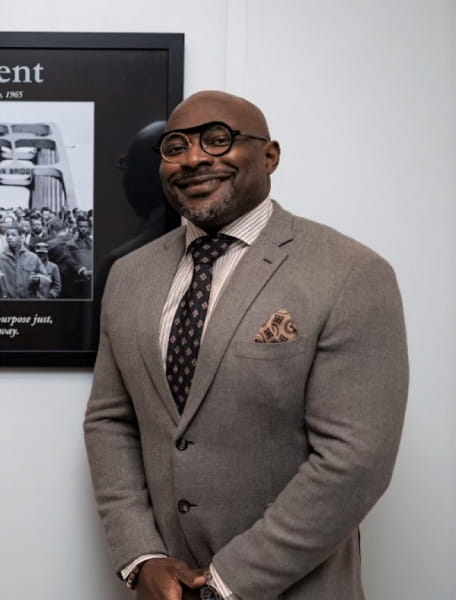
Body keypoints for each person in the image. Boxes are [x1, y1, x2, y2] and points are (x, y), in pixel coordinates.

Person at [83, 91, 408, 600]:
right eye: (176, 147)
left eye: (219, 139)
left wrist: (227, 582)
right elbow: (110, 421)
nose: (193, 159)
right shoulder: (128, 275)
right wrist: (140, 556)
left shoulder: (350, 273)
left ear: (270, 155)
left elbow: (354, 460)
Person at [0, 226, 50, 299]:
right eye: (7, 235)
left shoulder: (33, 258)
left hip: (26, 303)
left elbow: (47, 279)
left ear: (21, 237)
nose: (9, 237)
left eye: (13, 235)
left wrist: (39, 279)